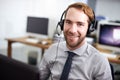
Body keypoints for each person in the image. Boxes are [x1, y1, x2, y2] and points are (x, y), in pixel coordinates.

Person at [38, 2, 112, 80]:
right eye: (68, 22)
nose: (72, 30)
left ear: (89, 29)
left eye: (80, 24)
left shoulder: (100, 61)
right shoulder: (53, 49)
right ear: (62, 24)